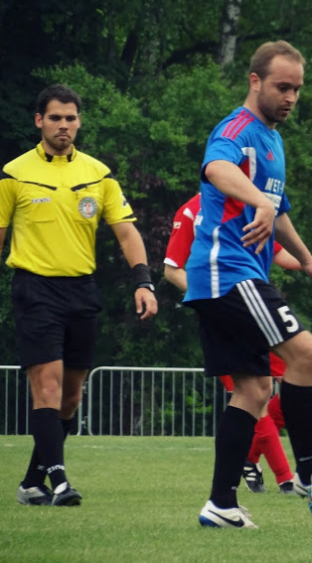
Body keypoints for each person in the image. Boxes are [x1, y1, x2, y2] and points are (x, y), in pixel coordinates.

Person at [183, 41, 312, 529]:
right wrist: (259, 202)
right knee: (305, 353)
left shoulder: (273, 139)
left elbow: (279, 207)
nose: (290, 96)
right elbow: (216, 168)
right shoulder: (236, 130)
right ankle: (310, 473)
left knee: (253, 390)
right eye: (281, 86)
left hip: (231, 278)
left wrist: (308, 262)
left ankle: (220, 504)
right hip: (227, 272)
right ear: (255, 81)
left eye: (297, 89)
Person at [0, 84, 158, 507]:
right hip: (35, 289)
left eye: (70, 118)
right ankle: (61, 482)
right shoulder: (13, 174)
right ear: (39, 121)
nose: (64, 125)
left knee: (71, 396)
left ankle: (33, 480)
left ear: (79, 121)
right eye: (55, 118)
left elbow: (126, 232)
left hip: (81, 291)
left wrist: (143, 281)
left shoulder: (98, 174)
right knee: (47, 390)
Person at [163, 193, 312, 495]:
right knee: (279, 376)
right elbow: (172, 268)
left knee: (260, 391)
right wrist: (209, 292)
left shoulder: (250, 204)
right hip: (228, 301)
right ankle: (297, 473)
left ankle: (227, 495)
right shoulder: (193, 210)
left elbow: (278, 252)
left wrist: (311, 262)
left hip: (251, 300)